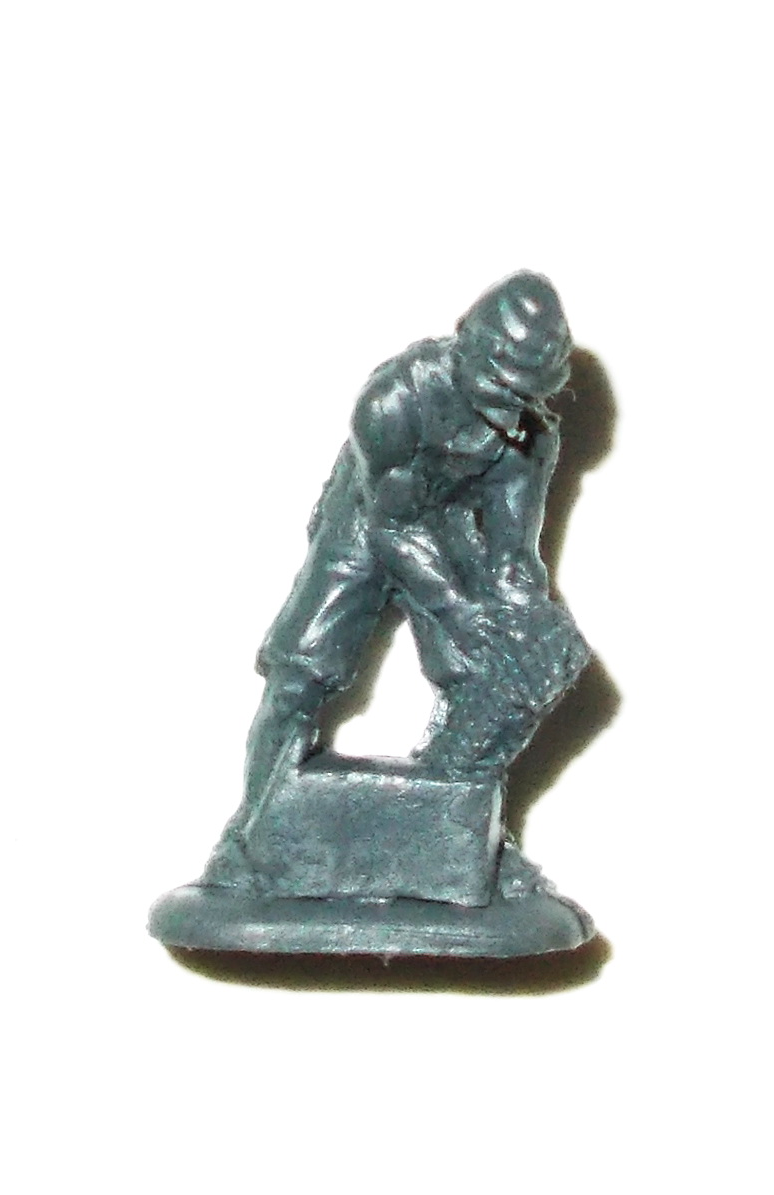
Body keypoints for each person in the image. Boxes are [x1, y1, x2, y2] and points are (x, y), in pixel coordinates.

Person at [230, 272, 590, 827]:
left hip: (451, 528)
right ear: (467, 349)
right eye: (501, 388)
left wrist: (521, 616)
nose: (511, 411)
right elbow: (390, 527)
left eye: (525, 396)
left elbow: (512, 554)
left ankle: (456, 831)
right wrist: (454, 607)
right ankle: (254, 827)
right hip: (366, 521)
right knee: (299, 673)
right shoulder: (393, 402)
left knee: (482, 668)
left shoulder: (531, 438)